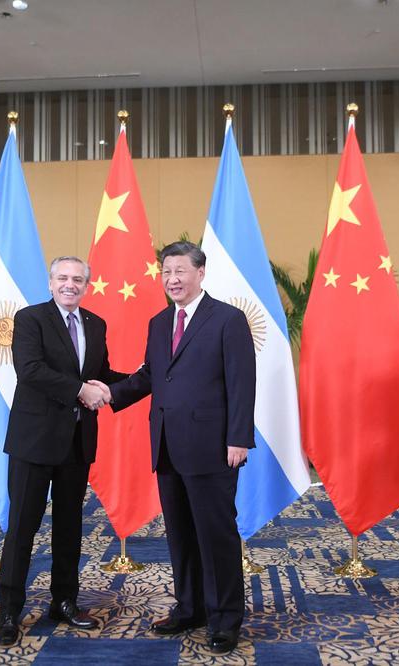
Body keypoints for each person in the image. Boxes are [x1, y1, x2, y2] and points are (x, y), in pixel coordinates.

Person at [93, 240, 255, 654]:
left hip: (214, 448)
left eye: (180, 271)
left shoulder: (228, 319)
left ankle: (224, 619)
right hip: (166, 444)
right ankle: (190, 608)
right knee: (180, 534)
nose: (172, 279)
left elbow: (241, 382)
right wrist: (109, 392)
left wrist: (239, 437)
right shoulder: (160, 322)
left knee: (215, 535)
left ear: (201, 273)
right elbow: (152, 376)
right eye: (166, 272)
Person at [0, 256, 125, 646]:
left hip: (76, 442)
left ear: (87, 284)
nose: (70, 284)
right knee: (22, 528)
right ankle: (9, 612)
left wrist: (147, 377)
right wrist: (79, 390)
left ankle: (64, 602)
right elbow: (29, 369)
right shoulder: (30, 319)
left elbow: (101, 374)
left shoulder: (96, 324)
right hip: (34, 442)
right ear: (50, 282)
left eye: (78, 279)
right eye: (63, 278)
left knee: (70, 529)